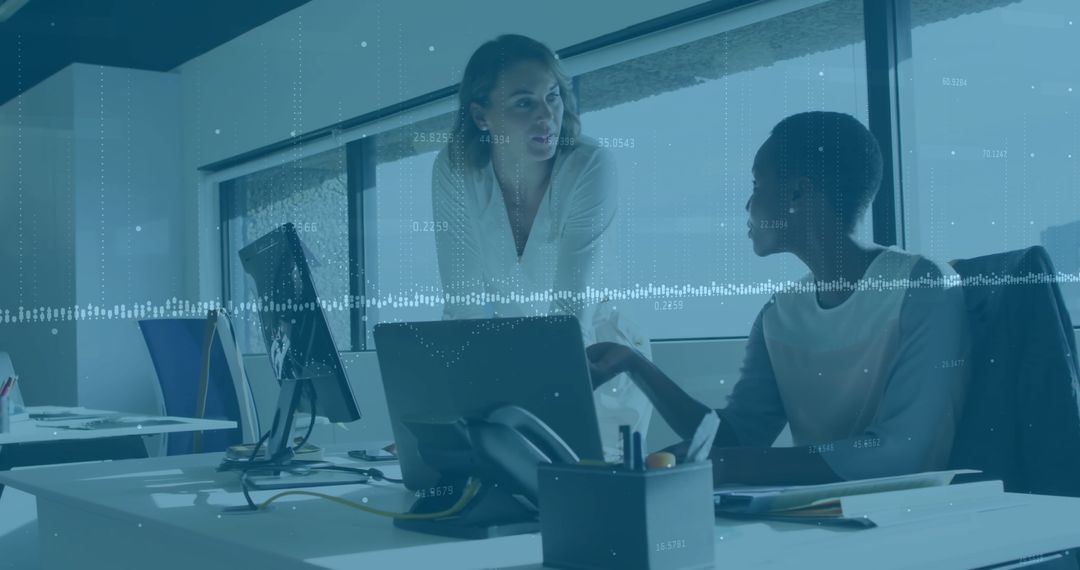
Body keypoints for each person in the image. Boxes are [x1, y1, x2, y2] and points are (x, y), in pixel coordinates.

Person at [588, 112, 971, 485]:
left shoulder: (923, 286)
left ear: (796, 192)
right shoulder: (779, 314)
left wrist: (726, 467)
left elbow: (902, 454)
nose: (747, 206)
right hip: (817, 518)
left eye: (756, 186)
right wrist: (635, 365)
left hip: (912, 521)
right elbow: (737, 437)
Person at [431, 34, 652, 459]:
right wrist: (452, 418)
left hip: (597, 363)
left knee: (586, 492)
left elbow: (570, 315)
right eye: (523, 103)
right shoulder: (455, 169)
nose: (546, 115)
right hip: (514, 366)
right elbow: (462, 305)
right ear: (481, 116)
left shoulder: (588, 164)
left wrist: (525, 415)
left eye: (552, 97)